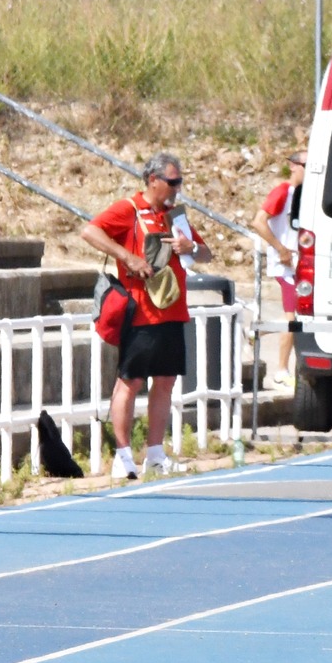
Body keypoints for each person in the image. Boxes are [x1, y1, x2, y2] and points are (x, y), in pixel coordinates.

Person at [82, 152, 215, 479]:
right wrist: (127, 257)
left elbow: (207, 253)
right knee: (130, 380)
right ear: (153, 180)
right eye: (172, 181)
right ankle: (123, 455)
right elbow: (90, 232)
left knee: (166, 381)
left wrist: (191, 249)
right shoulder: (129, 209)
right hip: (140, 312)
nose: (177, 188)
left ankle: (155, 453)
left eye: (179, 181)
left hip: (172, 310)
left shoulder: (175, 216)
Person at [248, 150, 305, 387]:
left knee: (296, 316)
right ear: (293, 166)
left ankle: (255, 333)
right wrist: (280, 249)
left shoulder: (305, 195)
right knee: (293, 317)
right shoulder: (282, 191)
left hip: (300, 264)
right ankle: (281, 370)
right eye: (306, 165)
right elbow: (258, 222)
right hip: (286, 267)